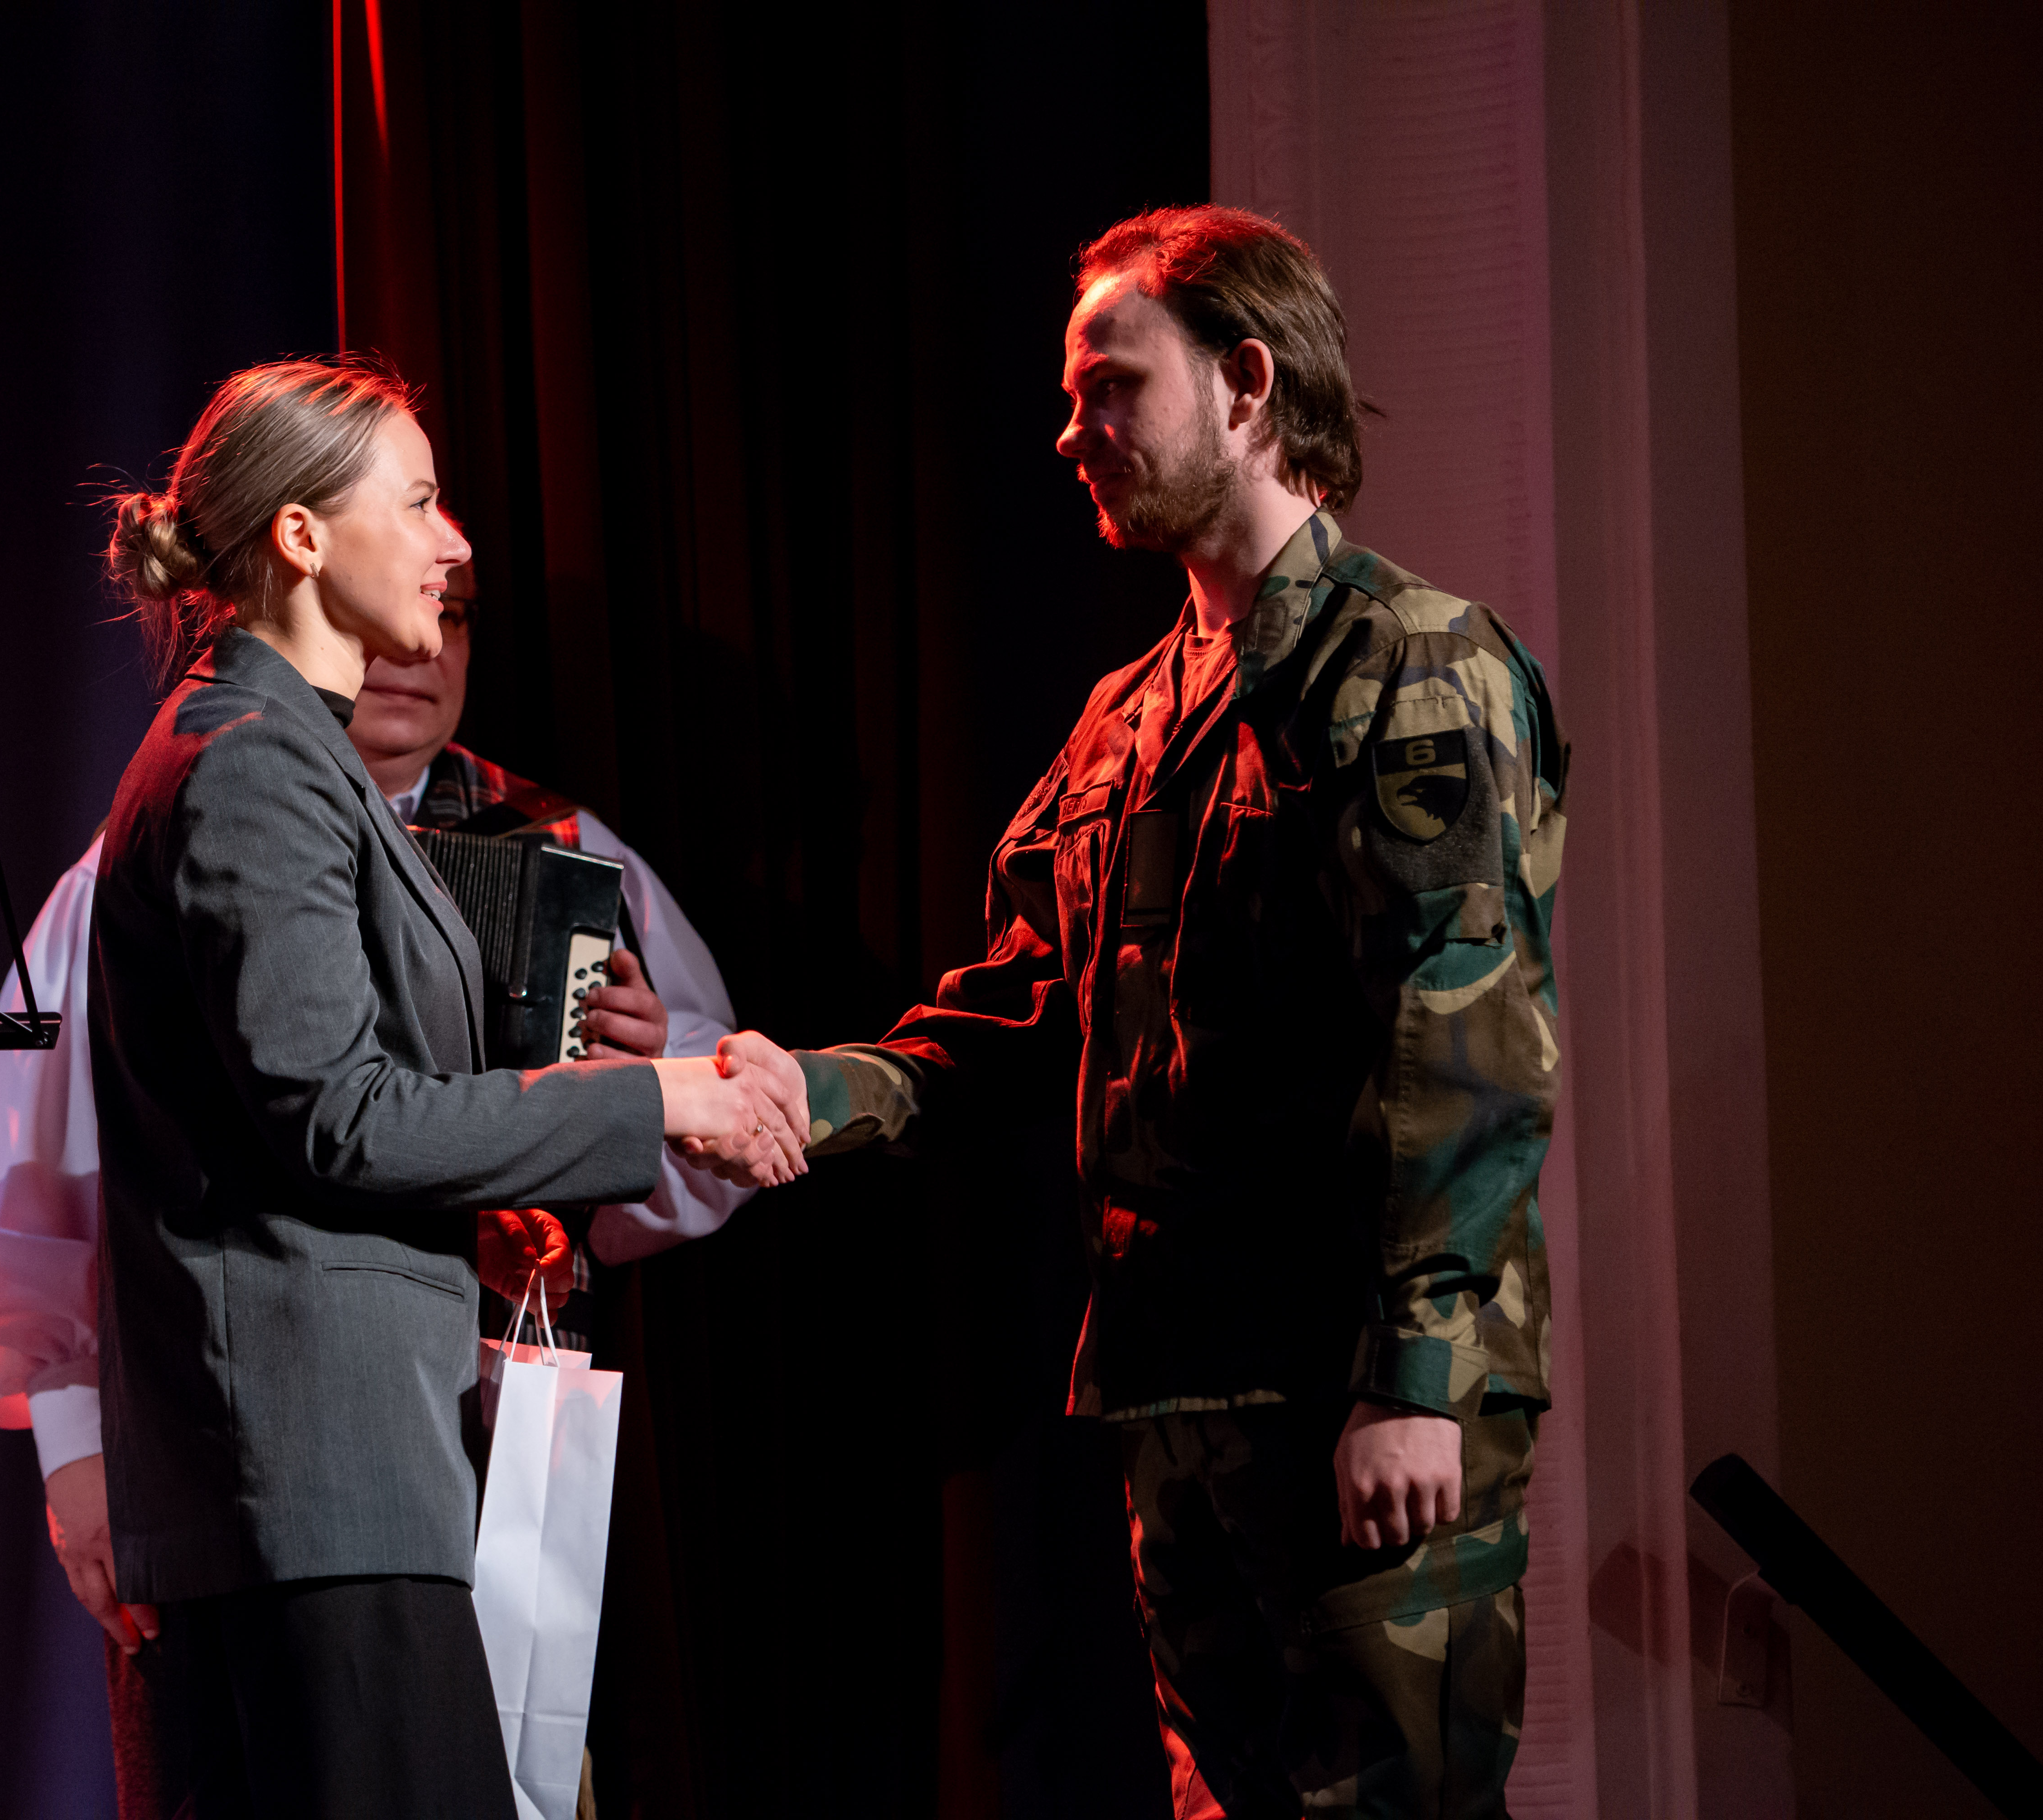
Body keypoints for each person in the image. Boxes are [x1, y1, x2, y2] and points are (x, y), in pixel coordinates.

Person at [724, 208, 1568, 1817]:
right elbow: (1019, 1015)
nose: (1072, 431)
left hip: (1347, 1384)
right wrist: (791, 1094)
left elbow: (1461, 1049)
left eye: (1110, 385)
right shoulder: (1126, 717)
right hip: (1179, 1386)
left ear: (1246, 385)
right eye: (1072, 395)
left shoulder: (1409, 665)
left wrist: (1411, 1377)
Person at [76, 353, 799, 1817]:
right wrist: (661, 1100)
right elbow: (340, 1115)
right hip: (313, 1476)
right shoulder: (254, 763)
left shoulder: (283, 753)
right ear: (300, 536)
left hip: (331, 1470)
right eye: (416, 503)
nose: (454, 542)